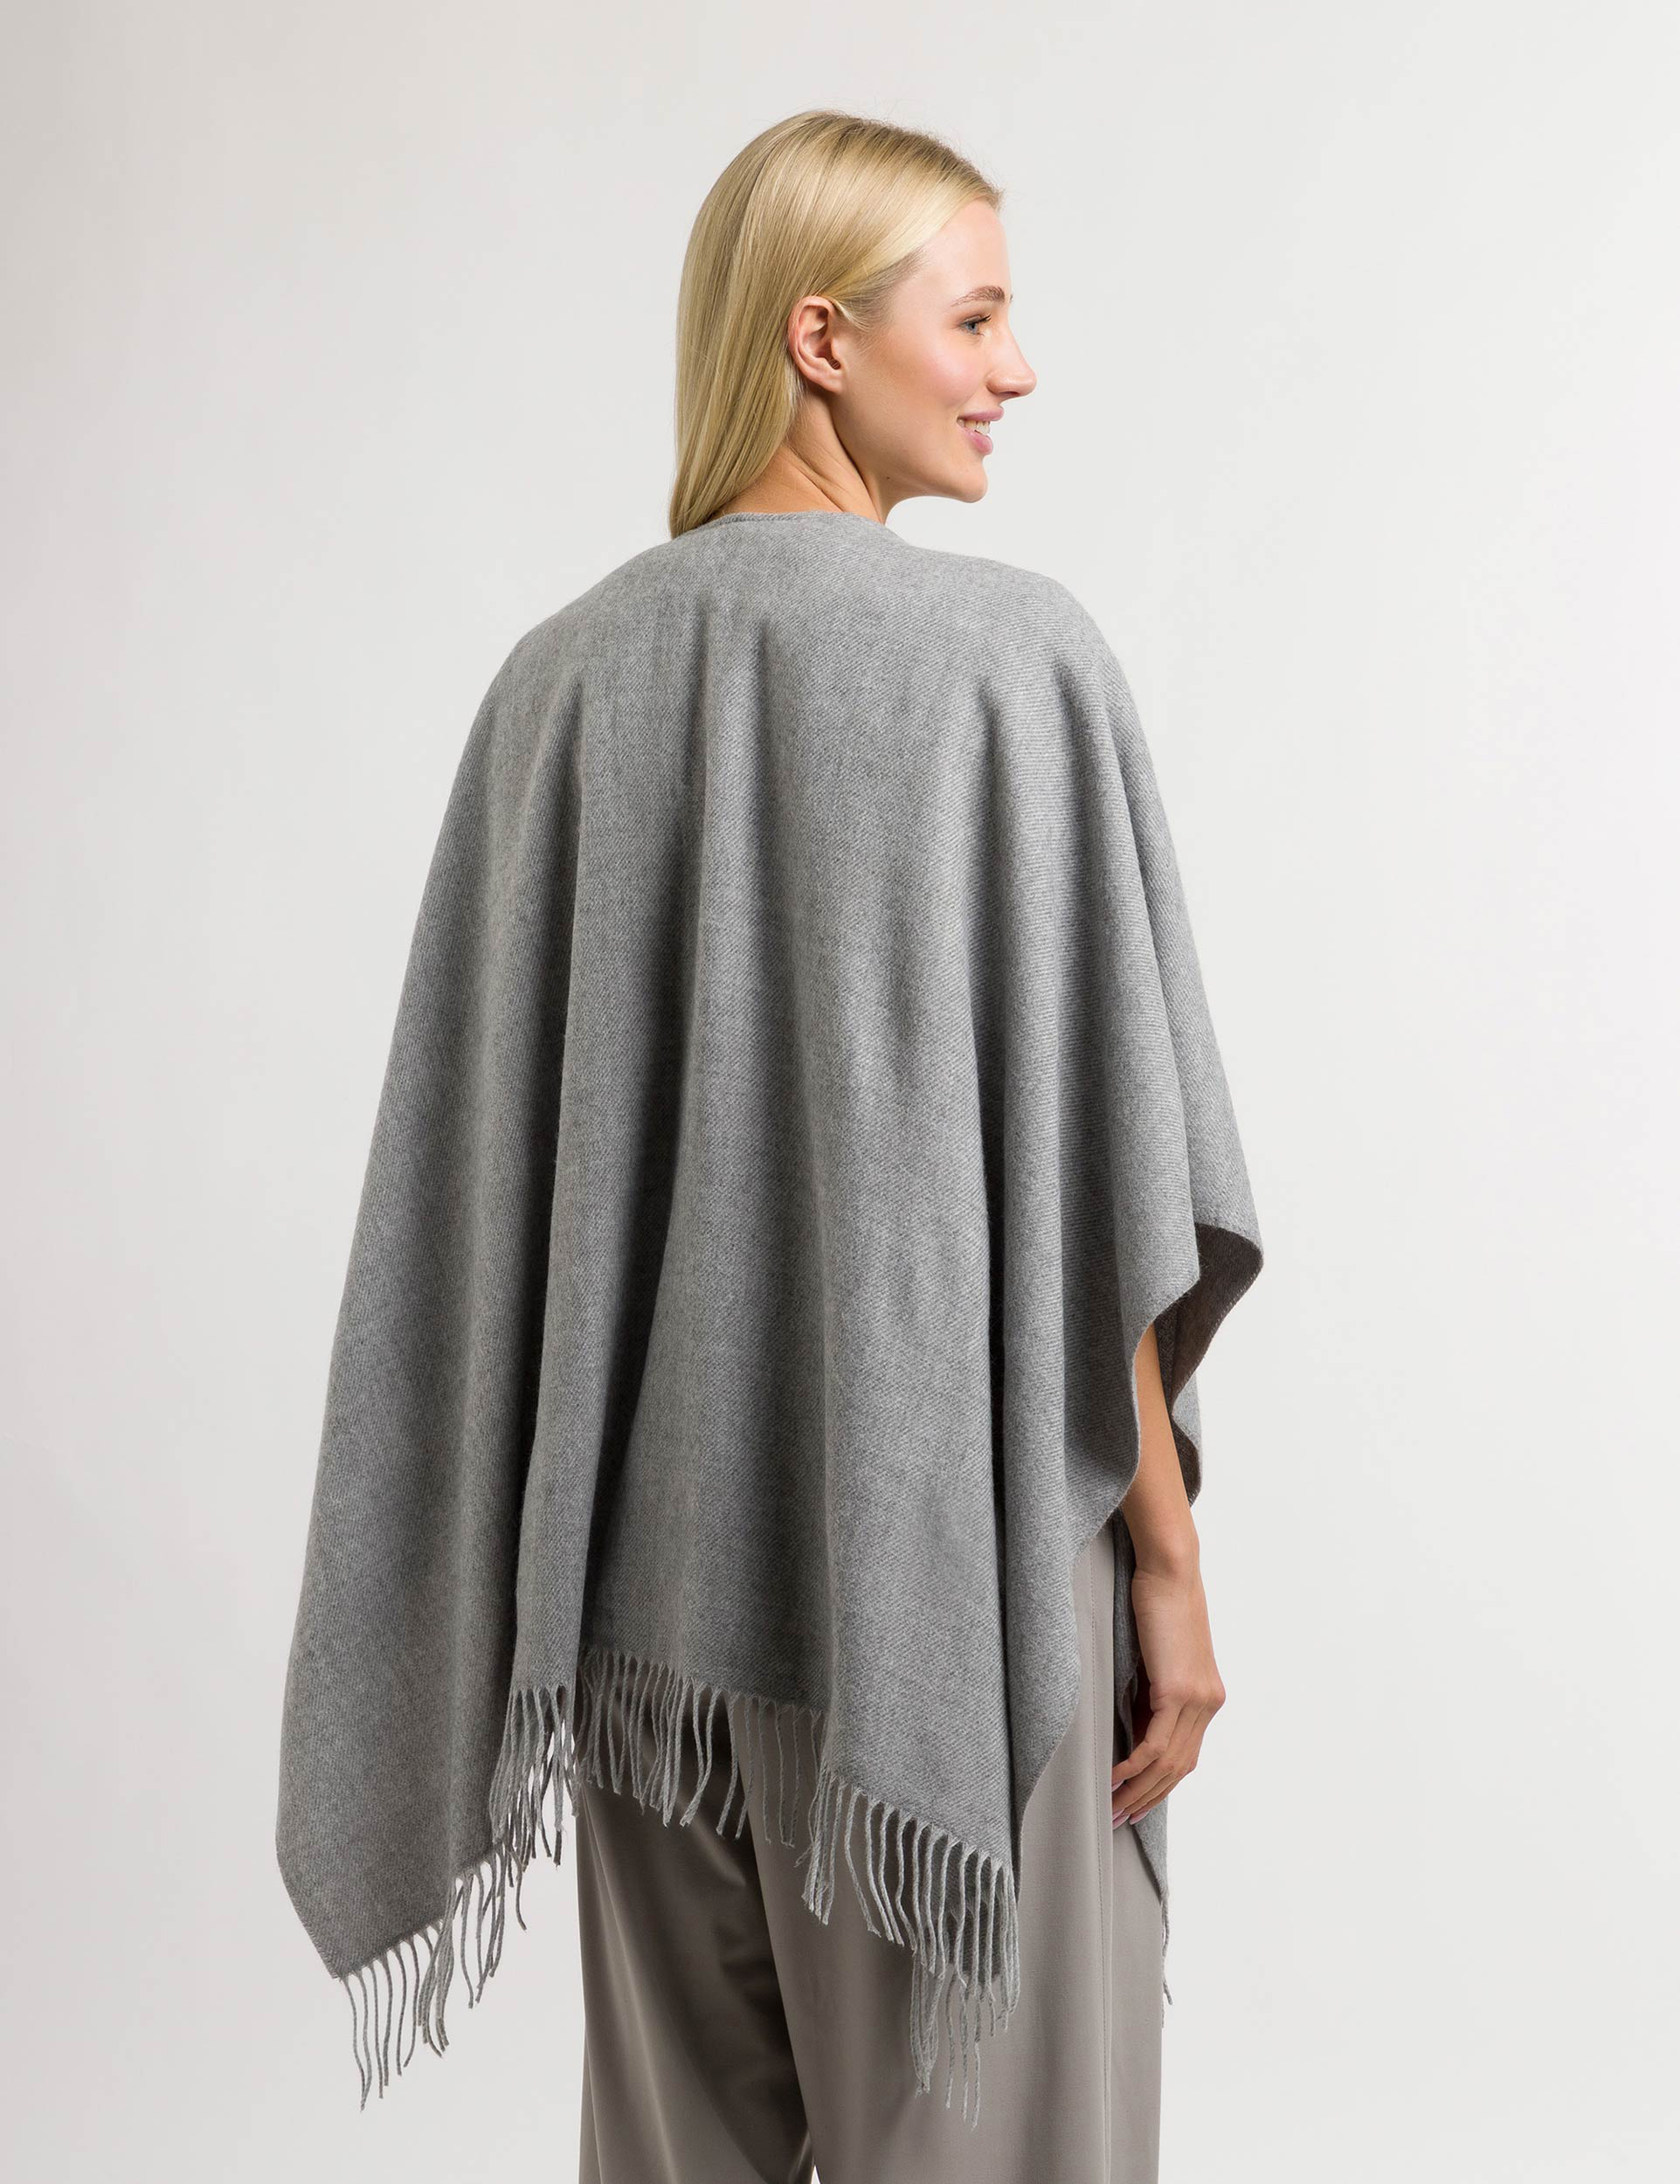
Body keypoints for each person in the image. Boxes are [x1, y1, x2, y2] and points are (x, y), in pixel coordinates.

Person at [276, 107, 1264, 2184]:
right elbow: (1097, 1193)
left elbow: (474, 1199)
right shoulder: (1008, 661)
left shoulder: (555, 689)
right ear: (820, 337)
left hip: (650, 1629)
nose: (1012, 369)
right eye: (971, 318)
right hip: (953, 1606)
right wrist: (1167, 1574)